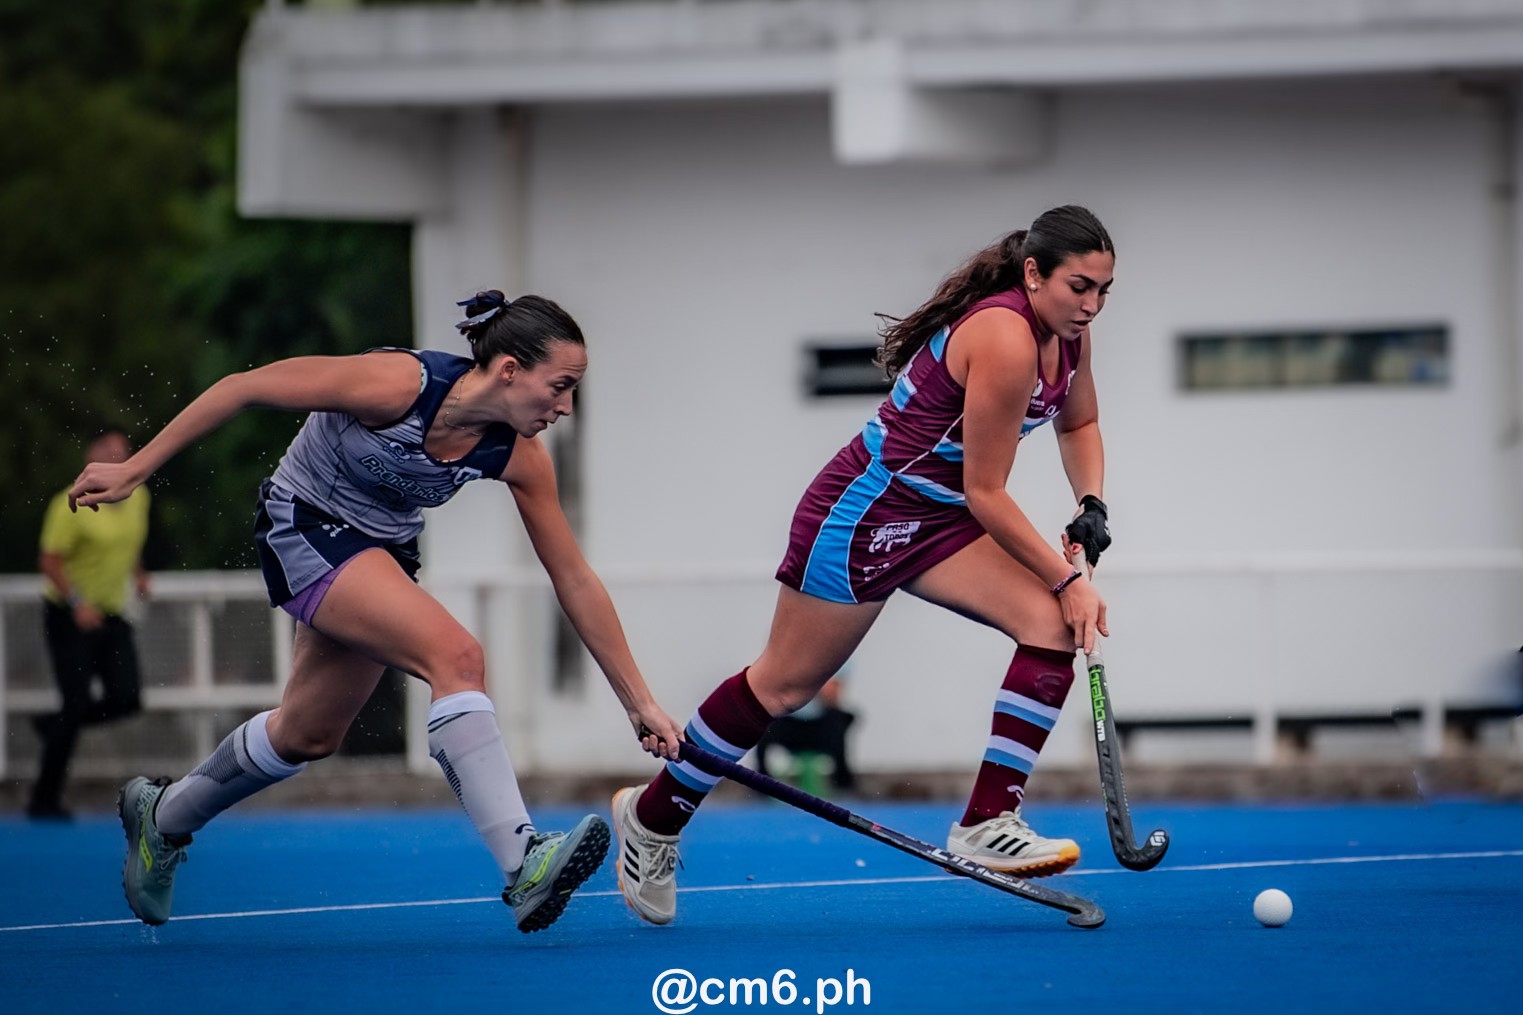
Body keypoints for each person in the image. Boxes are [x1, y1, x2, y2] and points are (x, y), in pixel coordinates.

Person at [66, 290, 683, 933]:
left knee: (308, 733)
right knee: (458, 657)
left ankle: (161, 817)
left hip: (381, 549)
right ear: (508, 371)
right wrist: (134, 469)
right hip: (304, 523)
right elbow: (243, 387)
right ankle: (523, 861)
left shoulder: (519, 456)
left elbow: (574, 579)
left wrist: (637, 701)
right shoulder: (395, 385)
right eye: (559, 387)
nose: (566, 407)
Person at [613, 205, 1115, 926]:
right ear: (1033, 273)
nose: (1090, 305)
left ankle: (985, 820)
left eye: (1102, 291)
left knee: (1048, 627)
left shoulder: (1070, 337)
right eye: (1078, 287)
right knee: (782, 686)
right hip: (865, 513)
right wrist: (1065, 578)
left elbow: (1080, 422)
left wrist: (1089, 504)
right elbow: (986, 490)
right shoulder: (1003, 335)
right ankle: (653, 817)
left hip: (939, 517)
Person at [28, 429, 151, 820]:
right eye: (109, 453)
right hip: (70, 614)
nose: (118, 459)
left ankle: (52, 726)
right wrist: (78, 603)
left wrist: (138, 572)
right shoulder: (68, 504)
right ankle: (43, 800)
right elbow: (49, 561)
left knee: (127, 697)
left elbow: (126, 543)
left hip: (112, 613)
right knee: (76, 701)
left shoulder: (139, 498)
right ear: (91, 456)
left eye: (123, 453)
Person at [753, 675, 857, 794]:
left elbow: (832, 696)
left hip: (818, 729)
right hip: (789, 727)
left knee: (842, 719)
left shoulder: (833, 660)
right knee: (763, 721)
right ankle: (761, 779)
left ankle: (842, 780)